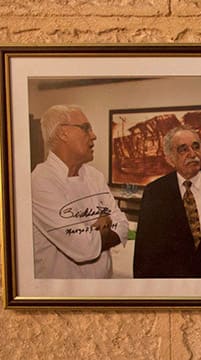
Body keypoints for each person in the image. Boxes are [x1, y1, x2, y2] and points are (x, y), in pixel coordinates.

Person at [31, 105, 129, 279]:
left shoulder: (95, 176)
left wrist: (96, 231)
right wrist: (105, 224)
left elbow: (123, 224)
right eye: (86, 128)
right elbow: (84, 248)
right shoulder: (40, 182)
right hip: (62, 297)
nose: (94, 135)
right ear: (63, 133)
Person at [133, 127, 201, 278]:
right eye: (183, 149)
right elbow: (143, 252)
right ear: (170, 158)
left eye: (196, 146)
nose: (192, 154)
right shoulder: (155, 193)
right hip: (171, 290)